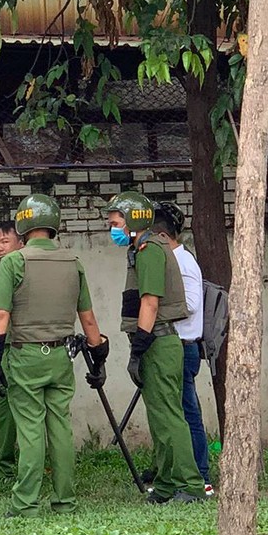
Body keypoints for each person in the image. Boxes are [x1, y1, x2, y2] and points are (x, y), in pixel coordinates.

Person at [0, 194, 108, 516]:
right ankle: (64, 501)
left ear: (23, 226)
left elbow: (0, 316)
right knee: (60, 427)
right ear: (54, 225)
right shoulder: (73, 263)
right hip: (61, 357)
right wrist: (99, 353)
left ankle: (25, 503)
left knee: (30, 429)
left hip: (25, 357)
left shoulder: (14, 262)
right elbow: (89, 320)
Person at [103, 191, 206, 503]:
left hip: (158, 343)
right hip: (156, 342)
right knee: (160, 418)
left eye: (116, 221)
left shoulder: (149, 249)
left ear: (133, 221)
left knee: (170, 416)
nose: (112, 227)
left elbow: (150, 301)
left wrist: (139, 349)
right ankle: (164, 486)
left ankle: (190, 485)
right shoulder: (142, 249)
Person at [151, 202, 213, 495]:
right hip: (172, 345)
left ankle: (200, 474)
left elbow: (189, 305)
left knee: (187, 413)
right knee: (176, 411)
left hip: (183, 346)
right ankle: (176, 470)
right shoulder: (169, 259)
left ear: (161, 235)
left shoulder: (182, 262)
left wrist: (155, 310)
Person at [0, 221, 24, 478]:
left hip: (21, 348)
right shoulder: (2, 271)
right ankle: (4, 467)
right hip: (5, 347)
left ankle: (22, 466)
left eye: (5, 242)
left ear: (20, 243)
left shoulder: (21, 269)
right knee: (1, 407)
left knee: (24, 409)